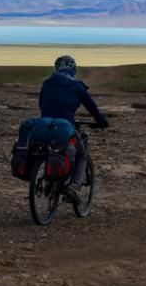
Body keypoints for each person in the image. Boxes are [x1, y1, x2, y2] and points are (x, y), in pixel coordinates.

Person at [39, 54, 109, 204]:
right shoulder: (77, 87)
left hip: (45, 126)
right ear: (73, 69)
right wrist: (101, 122)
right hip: (65, 127)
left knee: (47, 149)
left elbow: (42, 105)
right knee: (82, 155)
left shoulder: (46, 83)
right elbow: (92, 108)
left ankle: (47, 180)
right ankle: (74, 186)